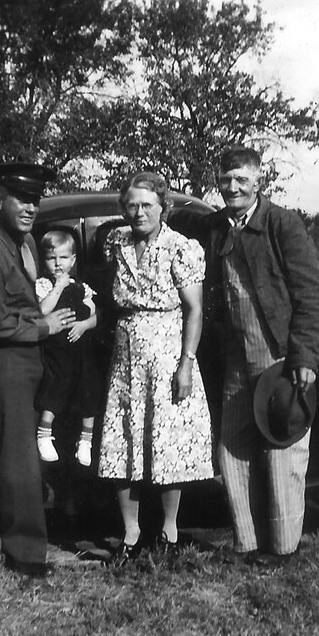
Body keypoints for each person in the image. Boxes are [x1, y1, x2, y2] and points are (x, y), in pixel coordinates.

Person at [168, 144, 319, 566]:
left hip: (279, 354)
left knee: (283, 447)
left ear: (259, 181)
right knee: (232, 447)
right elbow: (188, 217)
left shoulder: (283, 224)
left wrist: (305, 358)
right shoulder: (218, 224)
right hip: (236, 356)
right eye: (225, 180)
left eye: (242, 179)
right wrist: (163, 204)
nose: (233, 187)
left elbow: (313, 295)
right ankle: (247, 543)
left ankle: (283, 548)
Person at [0, 160, 77, 580]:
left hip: (26, 358)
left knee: (26, 454)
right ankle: (26, 556)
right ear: (0, 199)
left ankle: (27, 545)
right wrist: (45, 325)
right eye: (22, 199)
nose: (30, 207)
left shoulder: (21, 241)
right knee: (20, 458)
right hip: (3, 361)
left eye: (35, 199)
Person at [97, 171, 214, 563]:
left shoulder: (182, 247)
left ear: (164, 207)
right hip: (126, 354)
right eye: (131, 205)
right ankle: (131, 535)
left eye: (147, 204)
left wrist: (186, 365)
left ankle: (169, 531)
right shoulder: (117, 242)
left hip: (167, 355)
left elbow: (194, 310)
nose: (138, 212)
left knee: (166, 445)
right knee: (122, 442)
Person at [34, 229, 101, 468]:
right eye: (52, 259)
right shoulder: (44, 285)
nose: (58, 264)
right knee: (56, 387)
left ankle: (86, 441)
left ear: (73, 261)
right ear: (44, 262)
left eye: (63, 258)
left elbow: (94, 314)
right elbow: (43, 310)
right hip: (58, 350)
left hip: (81, 349)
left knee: (88, 390)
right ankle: (44, 435)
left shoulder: (81, 287)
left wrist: (84, 324)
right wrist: (58, 287)